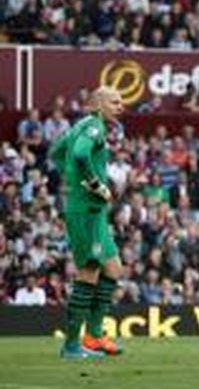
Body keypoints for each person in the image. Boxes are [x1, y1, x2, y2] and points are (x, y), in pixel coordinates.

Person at [49, 86, 126, 359]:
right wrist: (93, 184)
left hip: (93, 211)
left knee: (113, 269)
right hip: (87, 211)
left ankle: (93, 337)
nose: (121, 106)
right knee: (89, 272)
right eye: (115, 102)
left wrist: (72, 179)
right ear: (99, 104)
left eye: (121, 101)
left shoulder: (80, 125)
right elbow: (80, 155)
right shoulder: (94, 127)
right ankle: (71, 345)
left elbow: (56, 152)